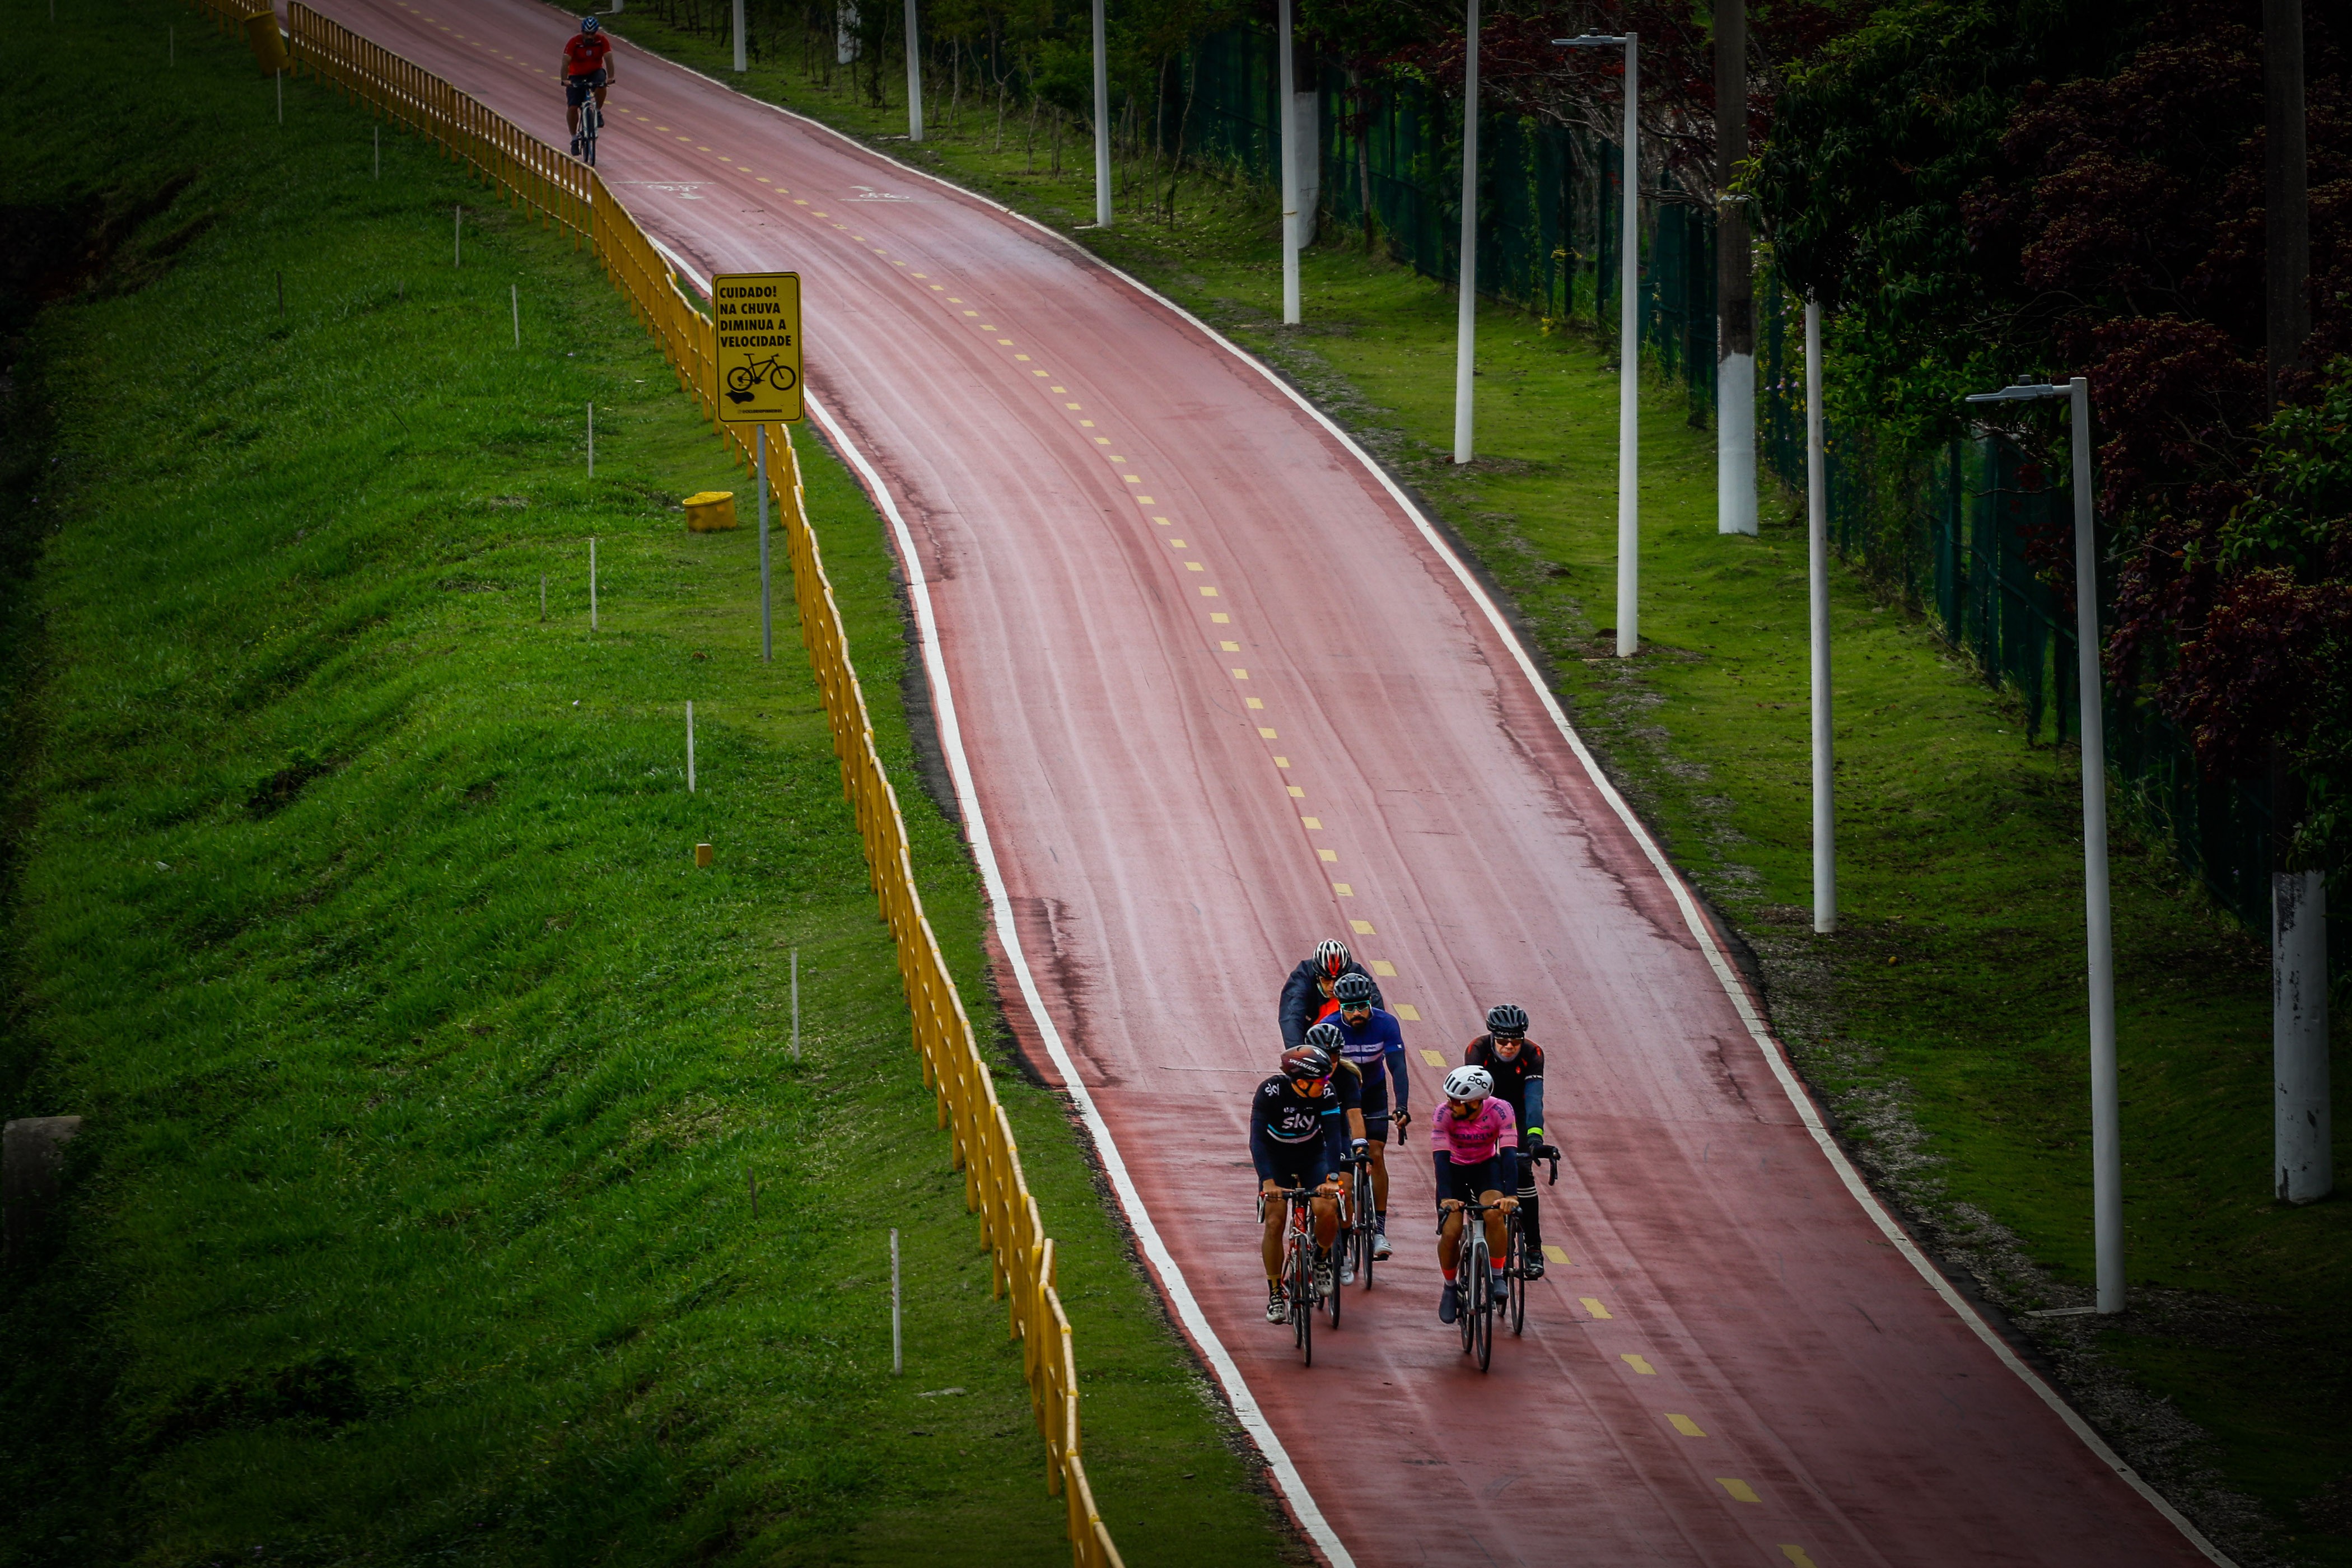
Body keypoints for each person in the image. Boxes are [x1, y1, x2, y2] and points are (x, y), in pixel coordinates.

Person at [1250, 1043, 1362, 1323]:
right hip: (1277, 1160)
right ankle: (1276, 1291)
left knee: (1327, 1208)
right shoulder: (1270, 1092)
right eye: (1321, 1079)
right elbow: (1257, 1141)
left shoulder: (1326, 1092)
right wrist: (1268, 1182)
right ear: (1301, 1082)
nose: (1327, 1084)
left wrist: (1333, 1177)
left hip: (1313, 1156)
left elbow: (1334, 1135)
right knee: (1275, 1221)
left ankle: (1322, 1259)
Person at [1318, 974, 1412, 1262]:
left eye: (1362, 1006)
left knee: (1376, 1152)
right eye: (1350, 1007)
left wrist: (1402, 1107)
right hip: (1340, 1094)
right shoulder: (1328, 1028)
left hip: (1372, 1091)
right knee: (1344, 1153)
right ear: (1340, 1006)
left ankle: (1380, 1230)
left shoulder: (1386, 1023)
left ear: (1370, 1003)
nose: (1357, 1013)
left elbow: (1398, 1068)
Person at [1464, 1003, 1553, 1278]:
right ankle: (1475, 1231)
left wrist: (1535, 1138)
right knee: (1476, 1166)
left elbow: (1534, 1099)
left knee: (1524, 1171)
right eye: (1502, 1041)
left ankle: (1534, 1248)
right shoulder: (1477, 1050)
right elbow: (1474, 1097)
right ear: (1492, 1037)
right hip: (1485, 1109)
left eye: (1516, 1041)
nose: (1509, 1047)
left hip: (1518, 1113)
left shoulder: (1533, 1053)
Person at [1428, 1065, 1517, 1325]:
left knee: (1494, 1213)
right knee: (1452, 1230)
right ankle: (1449, 1286)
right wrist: (1446, 1198)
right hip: (1453, 1169)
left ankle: (1498, 1275)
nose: (1450, 1103)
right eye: (1449, 1098)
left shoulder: (1501, 1110)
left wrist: (1511, 1195)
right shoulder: (1443, 1113)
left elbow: (1510, 1153)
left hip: (1485, 1167)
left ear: (1477, 1102)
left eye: (1457, 1100)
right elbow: (1440, 1159)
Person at [1277, 937, 1385, 1047]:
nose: (1332, 986)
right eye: (1326, 980)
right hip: (1313, 1037)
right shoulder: (1302, 979)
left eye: (1338, 979)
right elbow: (1291, 1017)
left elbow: (1377, 1012)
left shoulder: (1358, 977)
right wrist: (1298, 1054)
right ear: (1317, 976)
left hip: (1351, 1035)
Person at [562, 15, 616, 155]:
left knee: (602, 84)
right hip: (576, 75)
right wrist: (565, 80)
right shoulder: (574, 42)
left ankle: (597, 111)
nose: (590, 37)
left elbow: (608, 58)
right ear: (582, 32)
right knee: (573, 107)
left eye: (593, 34)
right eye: (587, 33)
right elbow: (566, 62)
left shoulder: (602, 41)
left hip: (594, 72)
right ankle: (574, 139)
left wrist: (610, 77)